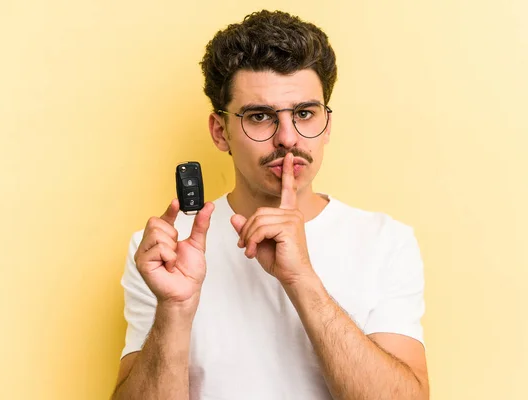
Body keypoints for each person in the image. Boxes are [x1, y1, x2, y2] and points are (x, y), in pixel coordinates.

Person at [112, 10, 429, 400]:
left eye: (304, 113)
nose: (287, 138)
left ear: (326, 125)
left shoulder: (385, 241)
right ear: (220, 131)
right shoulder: (166, 252)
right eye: (259, 116)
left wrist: (302, 280)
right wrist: (174, 309)